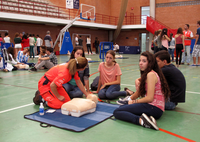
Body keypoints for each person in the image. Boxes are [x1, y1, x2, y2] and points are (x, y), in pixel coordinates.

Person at [113, 51, 170, 130]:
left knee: (117, 112)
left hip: (153, 107)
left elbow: (149, 98)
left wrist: (134, 102)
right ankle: (145, 118)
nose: (140, 63)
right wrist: (130, 99)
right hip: (155, 109)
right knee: (123, 108)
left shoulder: (150, 74)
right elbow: (139, 92)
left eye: (144, 61)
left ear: (150, 63)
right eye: (140, 60)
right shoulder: (149, 74)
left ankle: (141, 121)